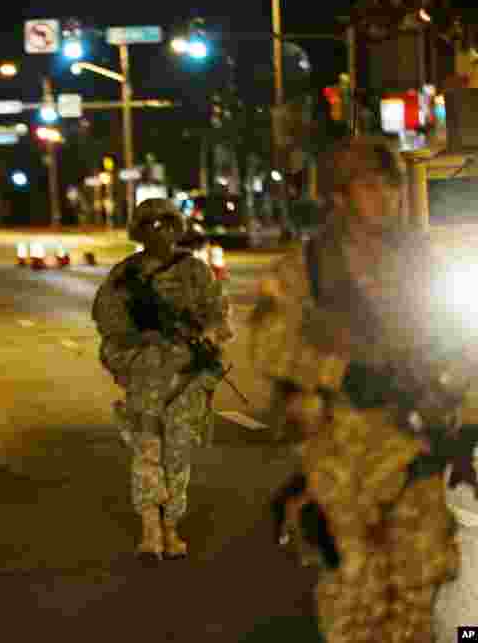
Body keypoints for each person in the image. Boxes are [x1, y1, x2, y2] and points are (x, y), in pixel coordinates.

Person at [250, 136, 478, 643]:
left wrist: (459, 405)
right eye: (370, 187)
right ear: (340, 196)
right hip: (343, 457)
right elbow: (268, 344)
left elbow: (459, 342)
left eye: (391, 186)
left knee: (419, 595)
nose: (387, 197)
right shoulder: (307, 268)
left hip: (417, 455)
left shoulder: (421, 265)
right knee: (354, 598)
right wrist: (340, 373)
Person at [92, 198, 234, 559]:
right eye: (151, 225)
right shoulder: (125, 276)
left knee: (178, 454)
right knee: (147, 451)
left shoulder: (194, 272)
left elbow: (219, 316)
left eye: (166, 224)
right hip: (145, 374)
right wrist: (144, 338)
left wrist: (206, 337)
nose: (160, 232)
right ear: (139, 230)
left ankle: (171, 525)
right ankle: (151, 528)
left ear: (177, 228)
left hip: (186, 376)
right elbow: (108, 322)